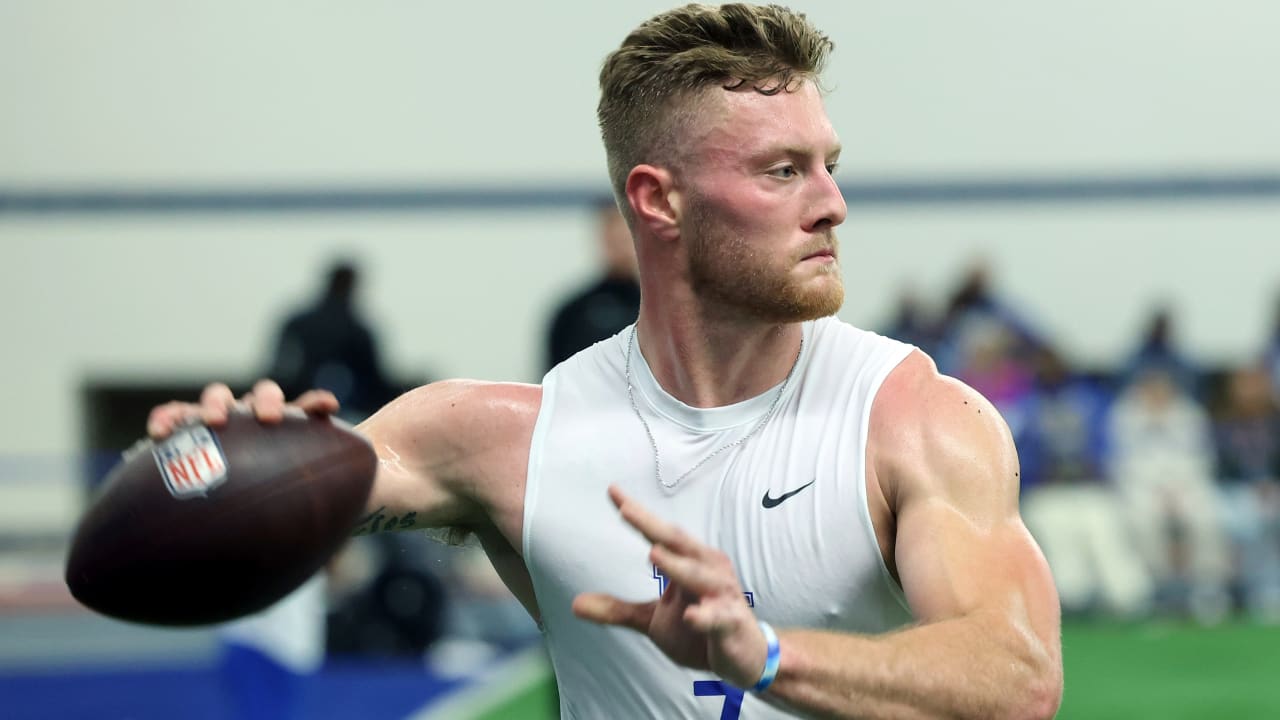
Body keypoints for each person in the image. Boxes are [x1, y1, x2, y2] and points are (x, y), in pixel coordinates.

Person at [148, 5, 1063, 718]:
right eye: (783, 171)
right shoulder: (504, 438)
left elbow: (1017, 676)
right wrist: (204, 464)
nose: (833, 204)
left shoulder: (913, 419)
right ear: (657, 200)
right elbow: (220, 521)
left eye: (828, 164)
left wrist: (765, 656)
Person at [268, 260, 398, 421]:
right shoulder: (359, 331)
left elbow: (279, 371)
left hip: (300, 412)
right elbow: (375, 382)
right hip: (350, 417)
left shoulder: (298, 323)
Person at [546, 199, 642, 371]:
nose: (621, 244)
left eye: (626, 235)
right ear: (602, 237)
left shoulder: (661, 309)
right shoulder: (574, 313)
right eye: (613, 234)